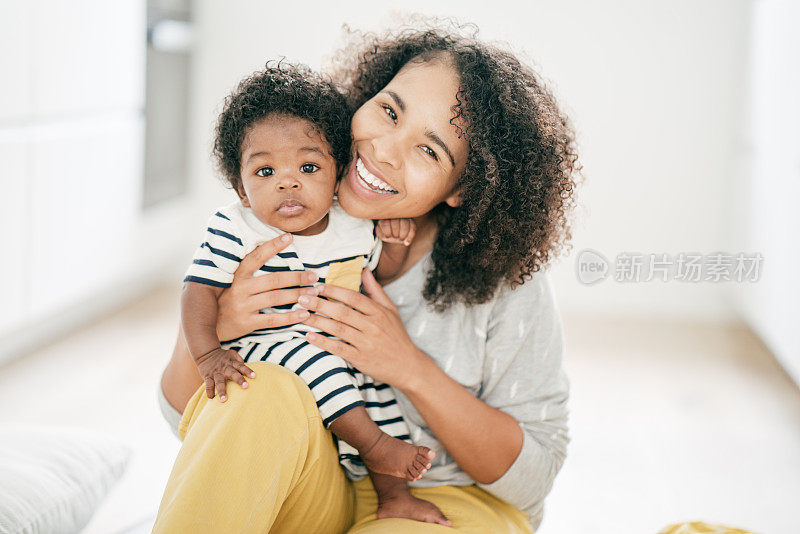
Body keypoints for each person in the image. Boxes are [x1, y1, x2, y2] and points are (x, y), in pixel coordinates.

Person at [156, 20, 580, 533]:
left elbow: (532, 478)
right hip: (321, 482)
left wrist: (408, 366)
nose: (383, 149)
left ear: (463, 188)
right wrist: (218, 327)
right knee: (257, 389)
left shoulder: (506, 283)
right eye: (389, 111)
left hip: (449, 502)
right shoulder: (288, 213)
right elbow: (185, 415)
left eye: (429, 150)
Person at [180, 62, 451, 524]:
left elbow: (376, 276)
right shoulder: (236, 226)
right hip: (267, 347)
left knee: (376, 386)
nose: (287, 182)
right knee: (320, 364)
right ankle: (373, 445)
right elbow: (198, 290)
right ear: (240, 190)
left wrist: (392, 241)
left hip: (332, 344)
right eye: (264, 171)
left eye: (308, 167)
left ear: (337, 172)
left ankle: (393, 494)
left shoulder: (352, 225)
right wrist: (207, 354)